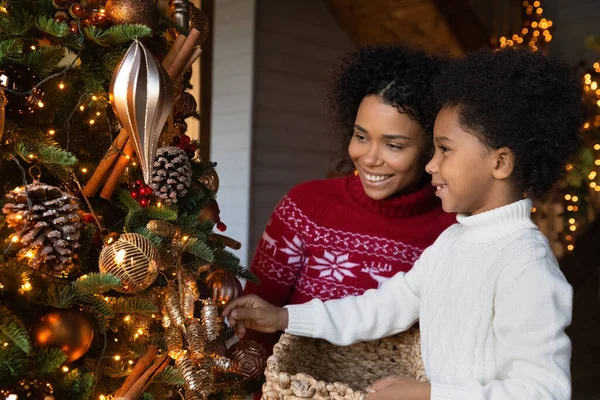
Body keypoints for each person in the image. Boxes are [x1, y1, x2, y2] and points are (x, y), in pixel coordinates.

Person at [224, 47, 585, 400]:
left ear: (501, 163)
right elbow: (379, 308)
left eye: (444, 149)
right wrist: (285, 317)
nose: (432, 164)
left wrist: (429, 394)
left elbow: (544, 391)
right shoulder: (452, 242)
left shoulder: (526, 266)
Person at [242, 45, 456, 356]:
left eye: (393, 145)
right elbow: (256, 325)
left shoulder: (452, 230)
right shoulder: (304, 208)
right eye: (361, 136)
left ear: (431, 148)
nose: (369, 158)